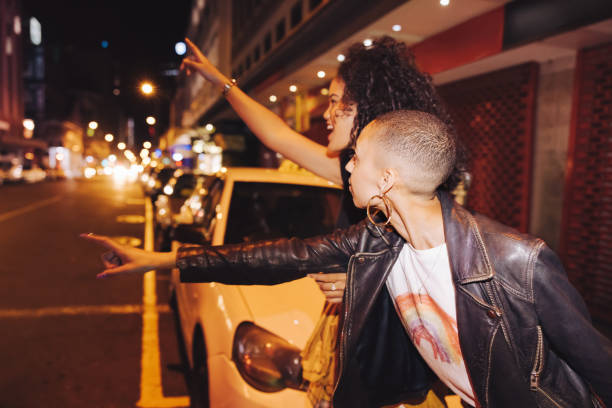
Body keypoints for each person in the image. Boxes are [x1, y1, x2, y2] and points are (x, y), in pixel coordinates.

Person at [83, 110, 612, 408]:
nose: (347, 167)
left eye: (356, 158)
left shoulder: (519, 261)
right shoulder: (377, 239)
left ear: (386, 180)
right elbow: (276, 257)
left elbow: (598, 368)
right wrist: (157, 259)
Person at [180, 36, 463, 406]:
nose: (326, 114)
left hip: (386, 365)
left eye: (334, 103)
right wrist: (220, 81)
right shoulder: (354, 174)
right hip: (348, 338)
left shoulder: (414, 197)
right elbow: (278, 136)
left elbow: (436, 281)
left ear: (366, 107)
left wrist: (366, 286)